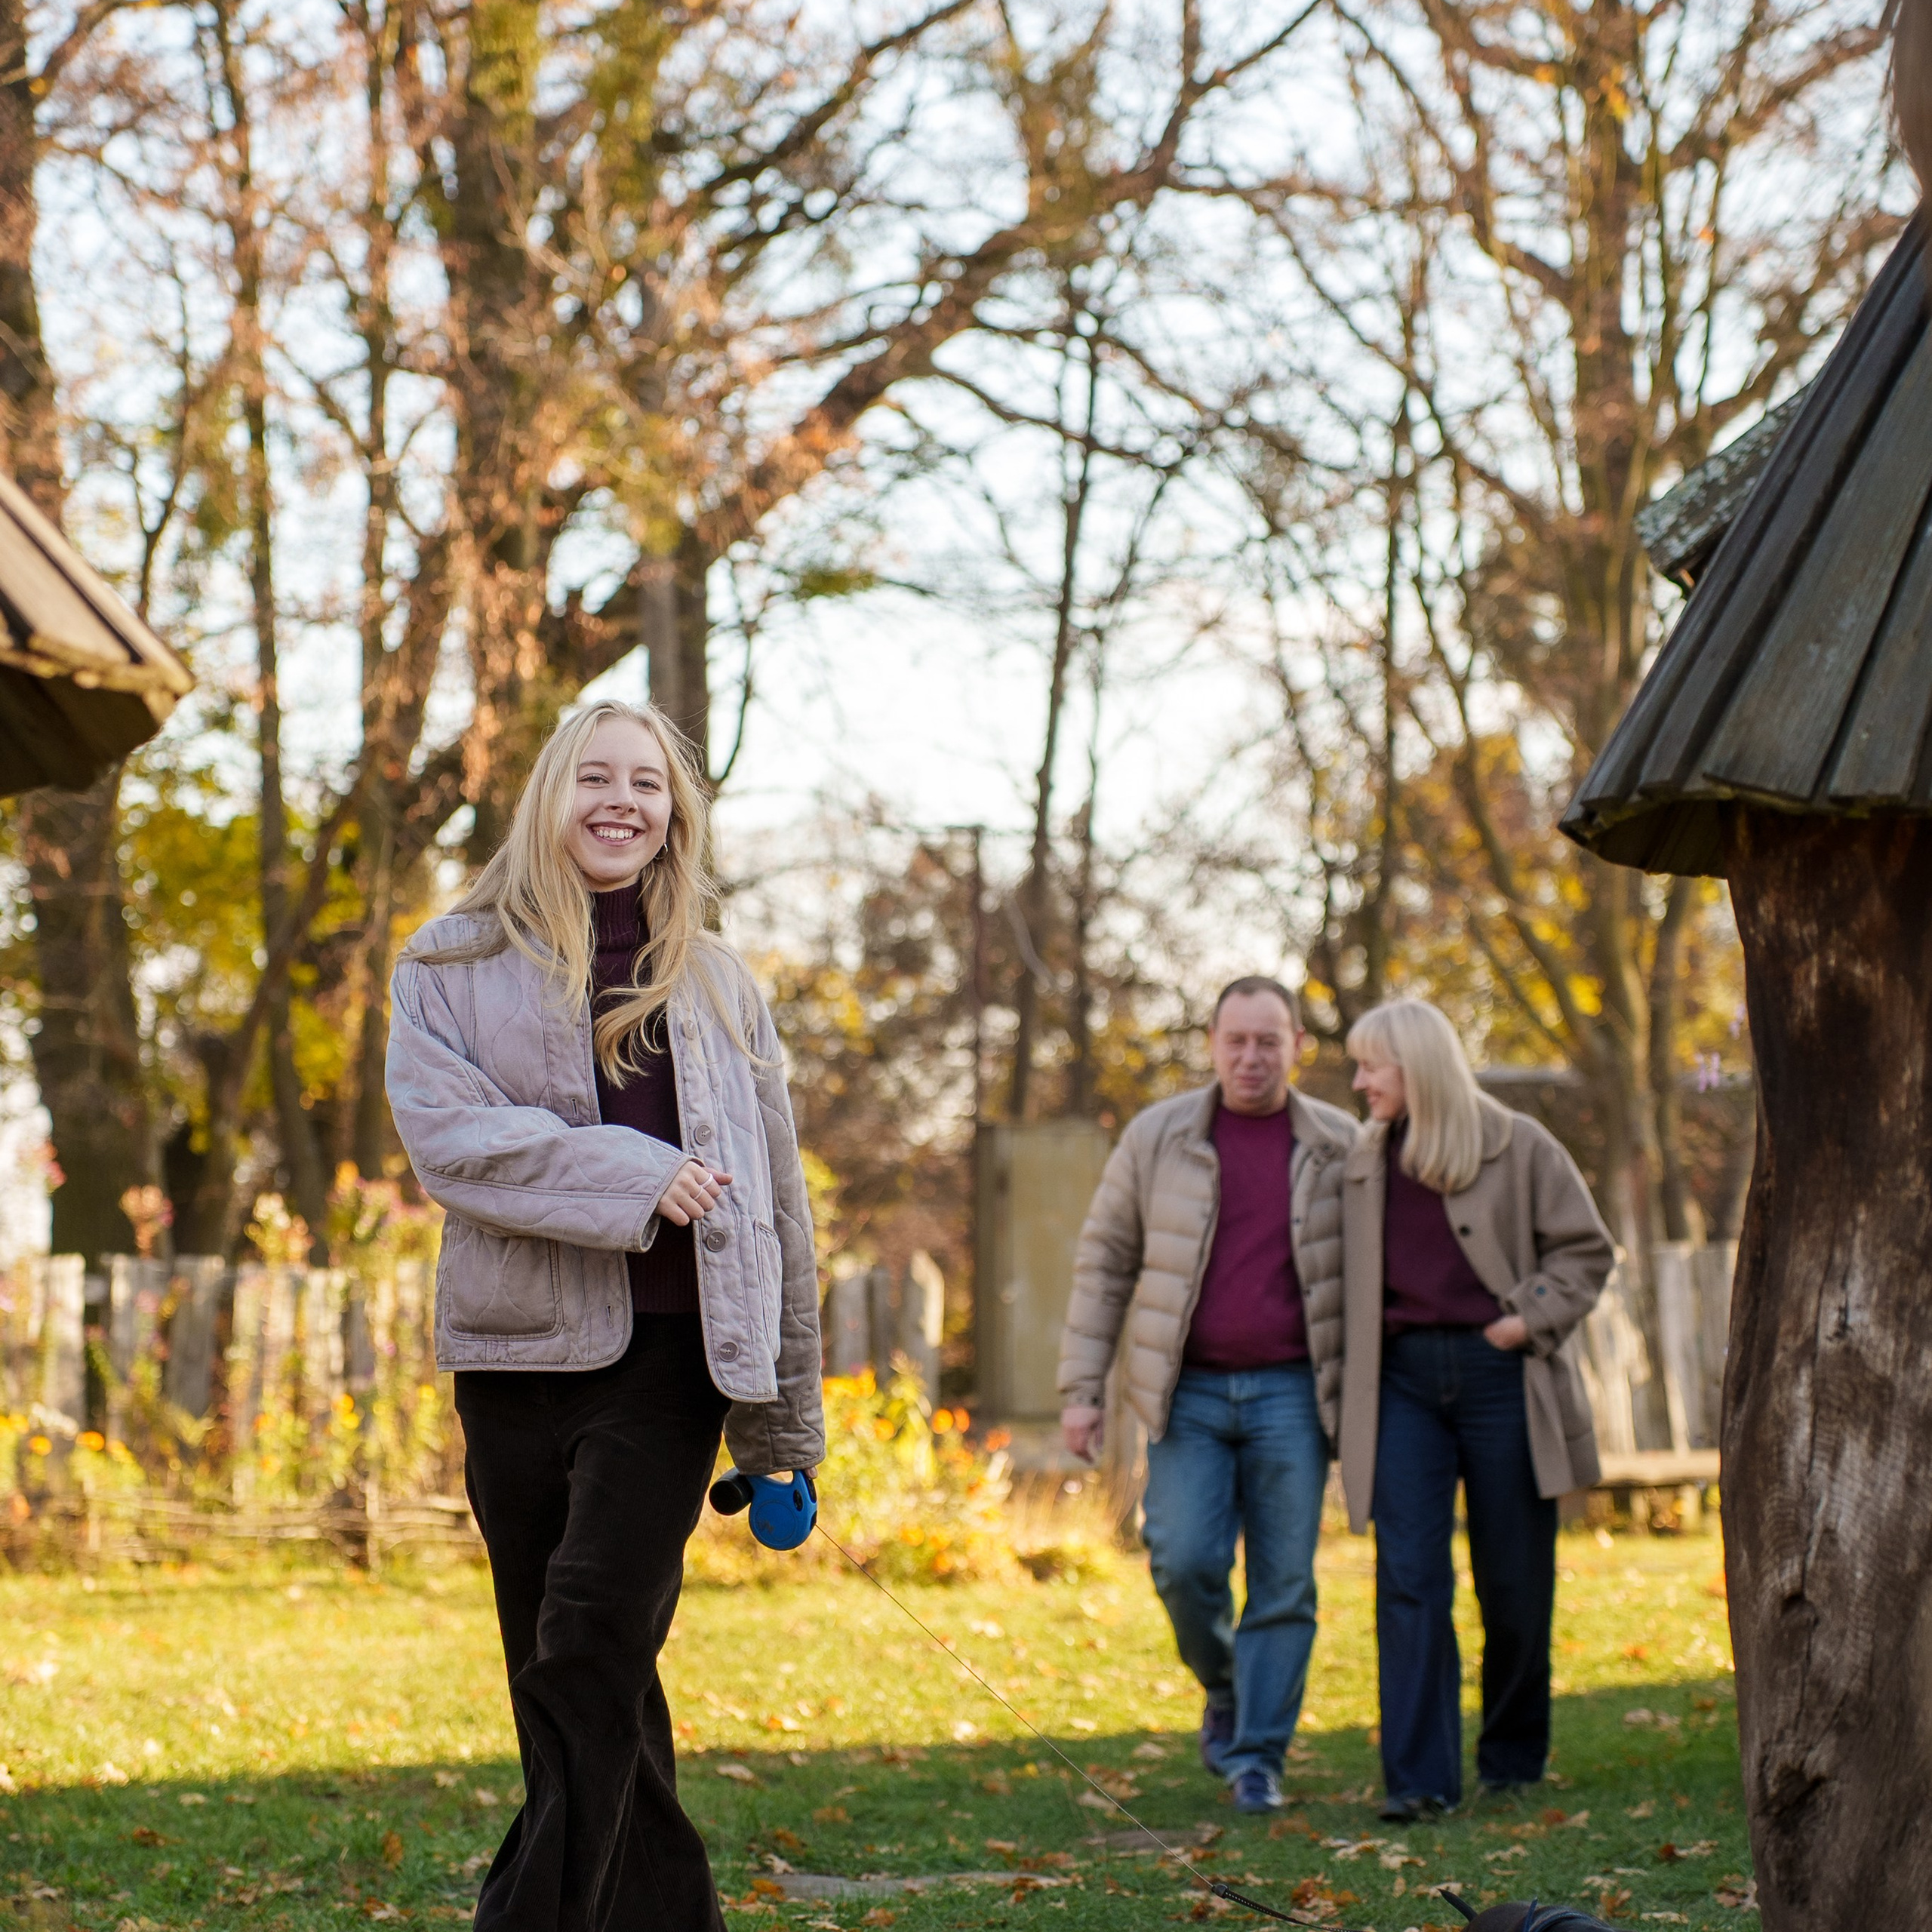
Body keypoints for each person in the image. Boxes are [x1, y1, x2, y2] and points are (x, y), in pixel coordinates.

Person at [386, 699, 823, 1931]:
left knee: (587, 1649)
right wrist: (639, 1175)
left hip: (671, 1365)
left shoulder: (724, 986)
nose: (620, 801)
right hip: (513, 1359)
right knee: (582, 1685)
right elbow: (451, 1144)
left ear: (678, 812)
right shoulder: (451, 962)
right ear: (549, 797)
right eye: (594, 777)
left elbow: (781, 1211)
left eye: (647, 782)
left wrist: (784, 1434)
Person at [1057, 977, 1356, 1814]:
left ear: (1299, 1045)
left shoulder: (1339, 1144)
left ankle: (1257, 1755)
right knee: (1183, 1560)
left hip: (1295, 1394)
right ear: (1213, 1044)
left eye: (1269, 1041)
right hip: (1183, 1394)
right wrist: (1082, 1390)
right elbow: (1104, 1261)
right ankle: (1227, 1688)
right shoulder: (1159, 1136)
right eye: (1236, 1040)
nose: (1251, 1057)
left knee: (1285, 1581)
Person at [1337, 998, 1614, 1824]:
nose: (1358, 1083)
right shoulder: (1362, 1159)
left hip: (1503, 1377)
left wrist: (1526, 1315)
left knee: (1514, 1578)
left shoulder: (1518, 1143)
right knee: (1409, 1577)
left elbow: (1585, 1249)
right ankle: (1418, 1780)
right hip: (1403, 1383)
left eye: (1370, 1067)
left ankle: (1511, 1758)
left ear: (1415, 1067)